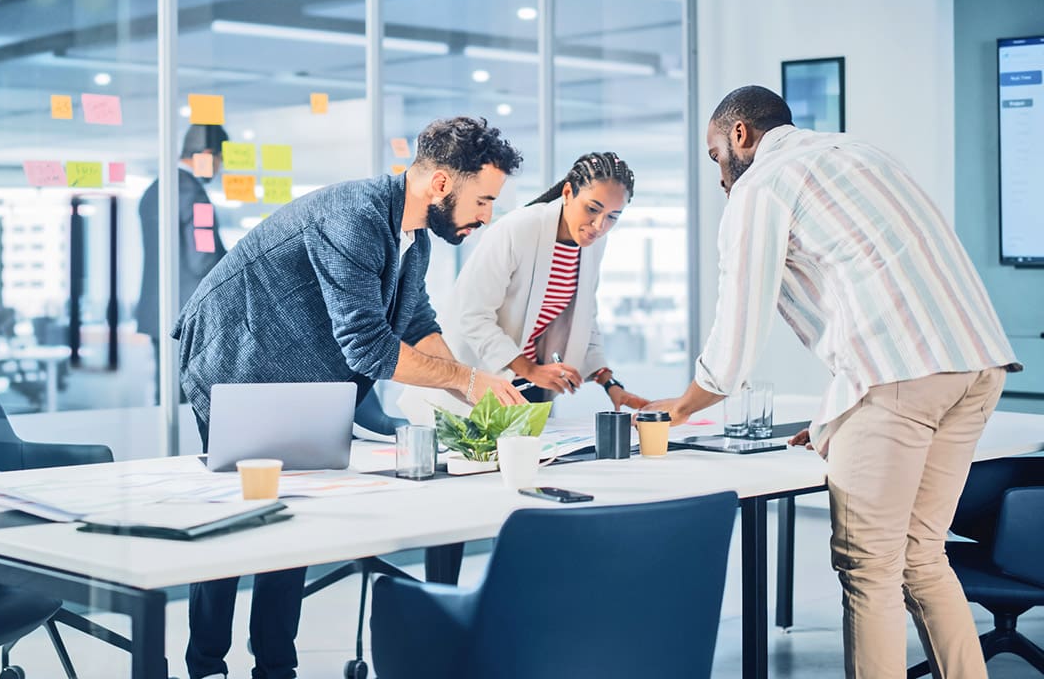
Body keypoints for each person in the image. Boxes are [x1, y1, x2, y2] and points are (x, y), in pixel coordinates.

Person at [647, 86, 1020, 678]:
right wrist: (841, 413)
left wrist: (685, 406)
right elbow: (878, 290)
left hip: (902, 377)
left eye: (716, 155)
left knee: (869, 568)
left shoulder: (761, 185)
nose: (720, 176)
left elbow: (738, 323)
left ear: (740, 134)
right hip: (977, 364)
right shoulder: (860, 154)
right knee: (922, 558)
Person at [172, 115, 526, 679]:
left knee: (292, 516)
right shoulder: (356, 215)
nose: (487, 216)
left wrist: (474, 389)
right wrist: (465, 381)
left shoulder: (412, 237)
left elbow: (415, 321)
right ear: (441, 184)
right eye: (482, 200)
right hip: (236, 358)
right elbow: (367, 346)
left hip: (298, 375)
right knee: (237, 519)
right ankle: (206, 665)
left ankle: (275, 667)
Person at [423, 152, 650, 411]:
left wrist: (610, 383)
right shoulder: (519, 229)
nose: (599, 225)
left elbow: (586, 317)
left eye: (613, 216)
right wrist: (530, 369)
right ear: (567, 193)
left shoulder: (593, 244)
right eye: (592, 209)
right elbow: (473, 315)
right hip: (480, 379)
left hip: (529, 386)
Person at [137, 124, 228, 395]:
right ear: (208, 155)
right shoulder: (194, 195)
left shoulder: (155, 189)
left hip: (159, 312)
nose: (220, 169)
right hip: (190, 316)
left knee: (167, 392)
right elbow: (203, 257)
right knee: (191, 397)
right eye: (220, 160)